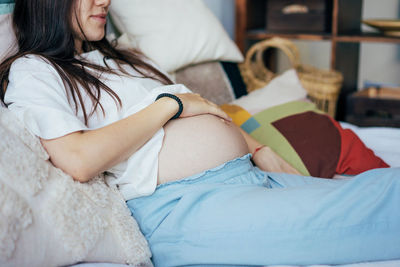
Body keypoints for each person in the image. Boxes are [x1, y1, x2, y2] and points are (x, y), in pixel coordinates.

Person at [1, 0, 399, 266]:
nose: (103, 0)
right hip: (183, 205)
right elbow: (78, 159)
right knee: (377, 207)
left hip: (249, 177)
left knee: (382, 188)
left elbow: (206, 111)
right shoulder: (36, 70)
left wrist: (258, 147)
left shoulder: (122, 57)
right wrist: (172, 105)